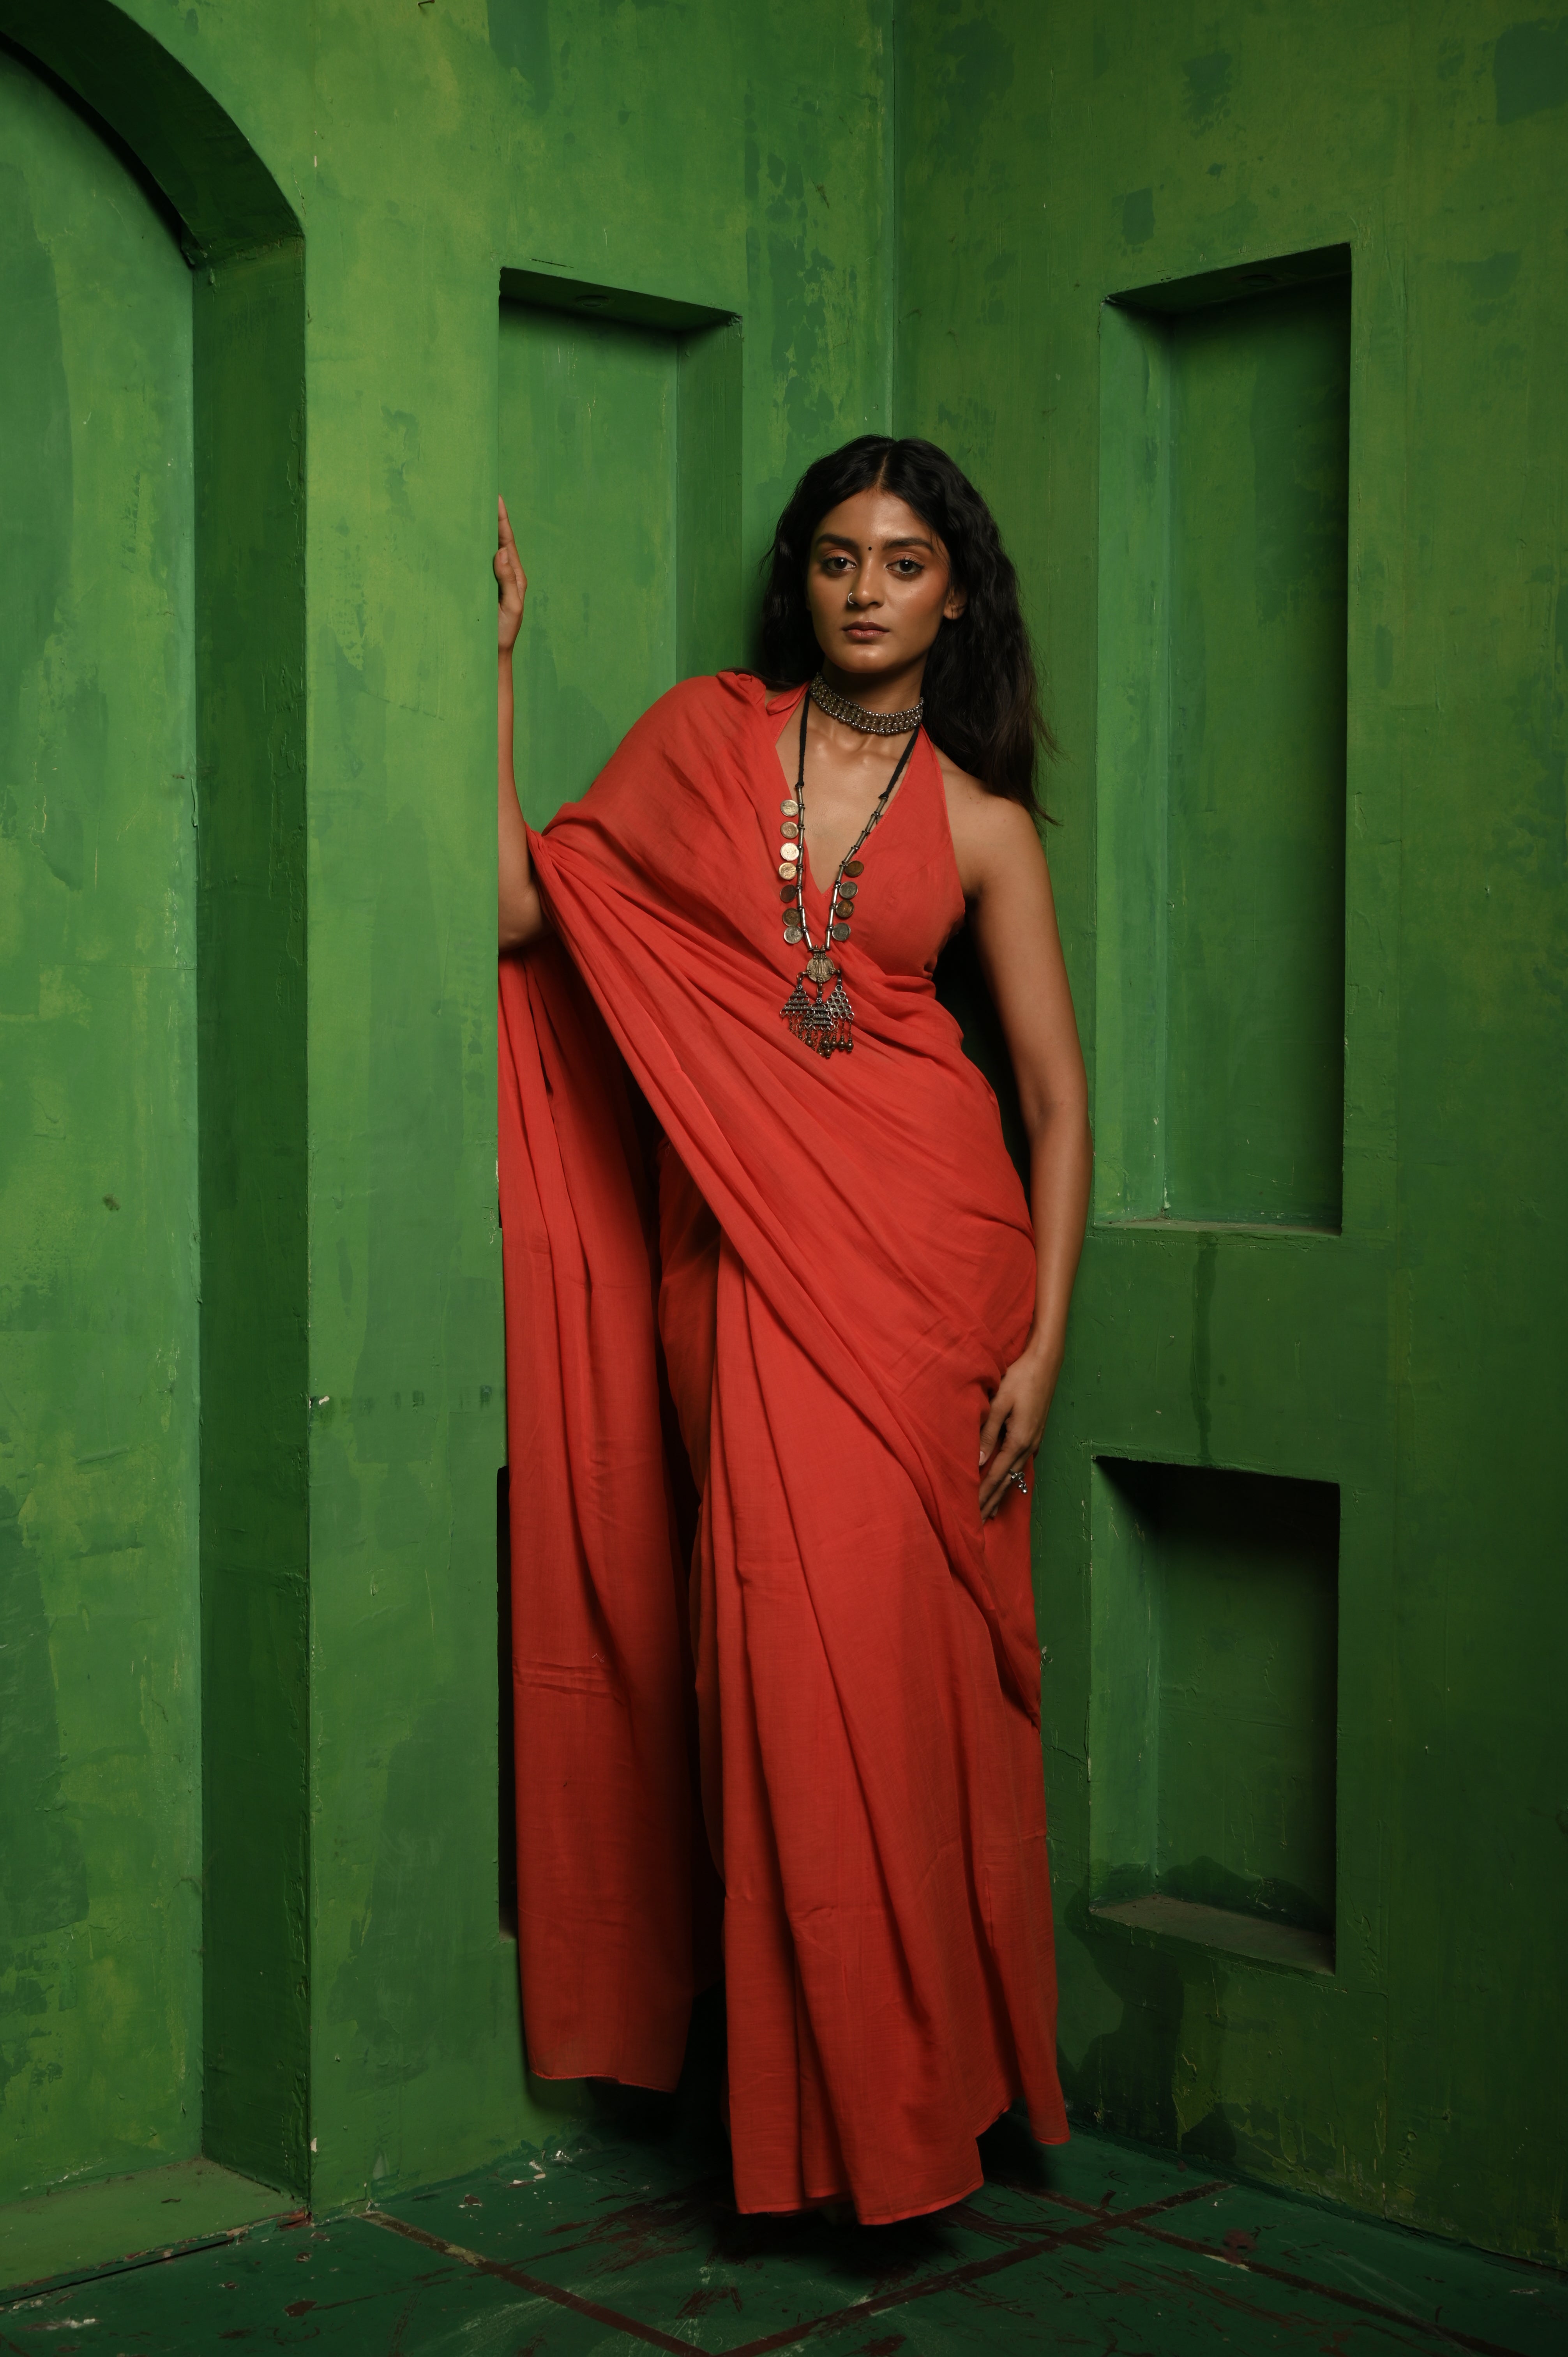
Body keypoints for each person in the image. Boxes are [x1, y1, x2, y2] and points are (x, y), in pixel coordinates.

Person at [495, 435, 1091, 2227]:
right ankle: (820, 2132)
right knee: (770, 1672)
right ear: (800, 578)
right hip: (745, 1266)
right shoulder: (700, 740)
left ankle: (921, 2112)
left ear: (954, 594)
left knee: (905, 1707)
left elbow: (1055, 1103)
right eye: (837, 557)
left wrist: (1044, 1346)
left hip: (938, 1275)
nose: (864, 590)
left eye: (903, 563)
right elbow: (524, 905)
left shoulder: (982, 823)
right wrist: (498, 669)